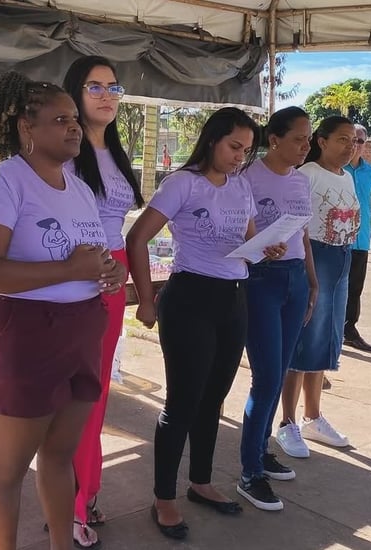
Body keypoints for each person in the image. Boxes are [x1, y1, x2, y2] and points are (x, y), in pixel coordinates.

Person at [0, 71, 126, 550]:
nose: (74, 128)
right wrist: (69, 269)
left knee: (59, 455)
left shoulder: (76, 188)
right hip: (27, 335)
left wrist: (109, 274)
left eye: (74, 118)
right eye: (60, 120)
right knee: (9, 466)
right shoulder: (1, 184)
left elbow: (91, 257)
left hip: (81, 330)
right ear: (25, 128)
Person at [126, 107, 285, 540]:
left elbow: (247, 241)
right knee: (182, 404)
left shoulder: (241, 186)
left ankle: (200, 482)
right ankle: (163, 497)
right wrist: (145, 300)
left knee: (213, 399)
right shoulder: (183, 183)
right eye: (234, 147)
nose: (239, 157)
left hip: (234, 299)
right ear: (212, 139)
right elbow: (137, 237)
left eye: (247, 151)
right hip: (190, 298)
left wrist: (265, 248)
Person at [62, 55, 145, 547]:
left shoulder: (114, 151)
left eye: (113, 87)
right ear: (74, 92)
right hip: (75, 275)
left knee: (94, 396)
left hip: (112, 277)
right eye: (94, 87)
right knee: (74, 396)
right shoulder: (63, 149)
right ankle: (70, 502)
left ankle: (86, 491)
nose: (106, 95)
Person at [237, 106, 319, 511]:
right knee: (266, 378)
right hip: (260, 282)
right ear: (274, 139)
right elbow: (236, 231)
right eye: (299, 139)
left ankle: (262, 449)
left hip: (295, 282)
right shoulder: (247, 178)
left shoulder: (301, 181)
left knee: (281, 371)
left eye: (308, 139)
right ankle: (249, 472)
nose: (306, 146)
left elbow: (301, 236)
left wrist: (313, 281)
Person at [275, 116, 359, 459]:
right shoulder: (305, 175)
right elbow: (300, 229)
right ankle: (287, 422)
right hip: (315, 257)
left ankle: (313, 415)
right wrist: (309, 275)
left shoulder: (349, 177)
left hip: (342, 258)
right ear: (321, 142)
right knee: (302, 338)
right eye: (342, 139)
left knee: (324, 338)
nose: (349, 147)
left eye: (353, 141)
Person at [343, 124, 371, 352]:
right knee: (334, 288)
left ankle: (349, 330)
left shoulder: (370, 172)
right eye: (352, 140)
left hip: (360, 239)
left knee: (355, 288)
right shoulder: (336, 169)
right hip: (336, 239)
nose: (356, 145)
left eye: (360, 141)